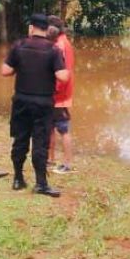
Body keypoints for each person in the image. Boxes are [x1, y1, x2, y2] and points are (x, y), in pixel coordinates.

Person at [1, 13, 70, 198]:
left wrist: (19, 67)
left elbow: (5, 71)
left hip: (21, 101)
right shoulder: (53, 50)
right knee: (40, 143)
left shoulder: (19, 46)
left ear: (31, 28)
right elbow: (63, 76)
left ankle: (17, 179)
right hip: (43, 103)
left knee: (20, 139)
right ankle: (41, 184)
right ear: (47, 29)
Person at [46, 15, 76, 174]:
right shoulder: (62, 42)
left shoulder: (60, 46)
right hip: (56, 94)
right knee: (49, 127)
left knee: (63, 129)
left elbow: (63, 74)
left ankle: (67, 164)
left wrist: (54, 91)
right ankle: (50, 159)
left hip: (59, 96)